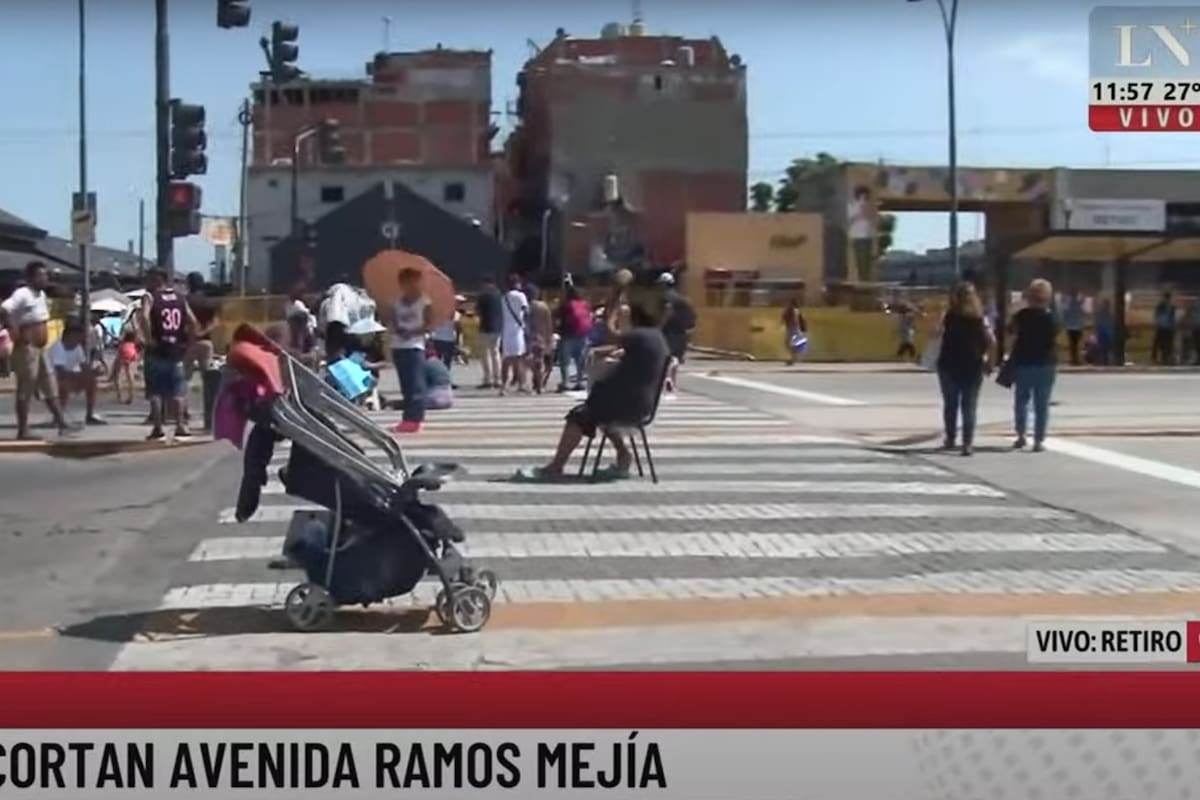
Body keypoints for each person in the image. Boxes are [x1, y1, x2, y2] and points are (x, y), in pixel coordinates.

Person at [514, 303, 669, 482]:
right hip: (642, 404)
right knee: (599, 415)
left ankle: (556, 466)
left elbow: (612, 336)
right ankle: (623, 457)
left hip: (628, 405)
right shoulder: (655, 336)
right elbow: (625, 351)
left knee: (578, 416)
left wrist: (610, 318)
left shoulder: (639, 335)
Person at [0, 261, 70, 439]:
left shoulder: (41, 295)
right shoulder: (22, 294)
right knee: (26, 388)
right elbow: (5, 310)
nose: (44, 278)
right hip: (26, 348)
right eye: (40, 275)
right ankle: (23, 430)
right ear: (30, 277)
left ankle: (61, 422)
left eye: (45, 275)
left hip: (41, 348)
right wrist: (15, 333)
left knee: (49, 385)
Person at [935, 282, 994, 456]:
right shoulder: (980, 318)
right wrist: (990, 361)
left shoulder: (949, 316)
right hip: (972, 364)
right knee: (969, 406)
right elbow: (992, 341)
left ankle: (951, 438)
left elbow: (936, 334)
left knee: (950, 404)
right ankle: (967, 443)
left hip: (948, 364)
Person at [139, 267, 198, 441]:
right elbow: (192, 321)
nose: (146, 283)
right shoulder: (180, 298)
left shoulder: (150, 297)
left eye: (149, 279)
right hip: (176, 349)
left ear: (157, 280)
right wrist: (189, 342)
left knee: (155, 389)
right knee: (178, 390)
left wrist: (148, 338)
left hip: (157, 349)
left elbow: (143, 316)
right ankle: (180, 425)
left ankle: (158, 427)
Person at [1009, 278, 1059, 452]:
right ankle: (1038, 440)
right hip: (1046, 362)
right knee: (1041, 403)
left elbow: (1011, 333)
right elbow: (1056, 333)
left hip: (1024, 361)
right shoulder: (1051, 317)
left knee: (1021, 400)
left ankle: (1021, 435)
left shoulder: (1021, 316)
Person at [390, 268, 431, 434]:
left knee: (416, 383)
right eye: (407, 281)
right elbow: (392, 322)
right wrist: (398, 329)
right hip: (399, 346)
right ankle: (408, 418)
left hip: (415, 346)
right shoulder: (396, 304)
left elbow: (428, 325)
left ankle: (414, 419)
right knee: (405, 384)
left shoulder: (424, 303)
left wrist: (412, 332)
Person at [49, 317, 105, 425]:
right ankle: (58, 417)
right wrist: (82, 375)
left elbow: (84, 367)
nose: (80, 339)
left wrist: (93, 372)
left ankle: (90, 415)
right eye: (77, 336)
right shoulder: (58, 347)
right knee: (64, 384)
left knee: (91, 381)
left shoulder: (77, 348)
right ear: (69, 335)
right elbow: (61, 372)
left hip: (72, 378)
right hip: (54, 380)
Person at [657, 272, 695, 393]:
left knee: (666, 356)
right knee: (676, 357)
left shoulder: (665, 297)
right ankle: (672, 380)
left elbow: (666, 313)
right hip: (681, 332)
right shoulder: (681, 298)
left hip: (668, 331)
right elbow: (691, 316)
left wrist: (659, 327)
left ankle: (667, 378)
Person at [555, 282, 591, 392]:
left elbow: (558, 318)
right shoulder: (585, 304)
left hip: (568, 335)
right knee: (580, 360)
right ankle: (580, 382)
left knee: (564, 361)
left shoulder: (566, 305)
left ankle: (565, 383)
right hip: (583, 335)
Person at [499, 273, 530, 395]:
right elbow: (526, 310)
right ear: (517, 284)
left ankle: (504, 386)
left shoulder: (504, 297)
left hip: (506, 331)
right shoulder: (521, 296)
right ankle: (522, 384)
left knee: (506, 361)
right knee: (520, 360)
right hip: (517, 331)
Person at [475, 279, 503, 389]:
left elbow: (478, 311)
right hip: (497, 328)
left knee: (485, 354)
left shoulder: (483, 296)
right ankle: (498, 379)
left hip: (485, 328)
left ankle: (488, 379)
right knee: (496, 353)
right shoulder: (499, 295)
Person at [525, 285, 553, 394]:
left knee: (529, 362)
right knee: (540, 362)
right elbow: (549, 323)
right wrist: (549, 339)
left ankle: (534, 383)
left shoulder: (527, 307)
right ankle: (540, 385)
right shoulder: (544, 306)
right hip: (543, 337)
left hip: (530, 338)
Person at [430, 295, 463, 372]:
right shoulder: (456, 314)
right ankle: (445, 379)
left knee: (437, 361)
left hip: (437, 338)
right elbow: (458, 328)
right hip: (449, 339)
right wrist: (458, 341)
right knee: (447, 362)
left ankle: (436, 378)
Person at [109, 326, 140, 404]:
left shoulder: (123, 343)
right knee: (130, 376)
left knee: (117, 376)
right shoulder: (133, 343)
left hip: (123, 352)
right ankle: (131, 396)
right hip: (132, 352)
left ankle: (120, 396)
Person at [1062, 290, 1086, 366]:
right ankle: (1075, 359)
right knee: (1076, 344)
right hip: (1077, 327)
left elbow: (1066, 315)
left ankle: (1073, 359)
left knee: (1072, 344)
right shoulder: (1078, 305)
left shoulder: (1068, 305)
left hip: (1070, 327)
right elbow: (1082, 314)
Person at [1152, 291, 1177, 365]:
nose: (1167, 300)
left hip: (1167, 328)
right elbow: (1157, 317)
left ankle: (1165, 358)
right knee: (1160, 343)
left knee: (1166, 344)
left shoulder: (1171, 307)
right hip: (1163, 328)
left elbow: (1172, 318)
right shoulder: (1161, 307)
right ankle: (1158, 358)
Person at [781, 298, 808, 366]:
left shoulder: (793, 310)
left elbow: (794, 320)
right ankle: (793, 358)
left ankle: (793, 358)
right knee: (790, 344)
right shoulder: (795, 310)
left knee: (789, 343)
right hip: (794, 329)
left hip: (793, 329)